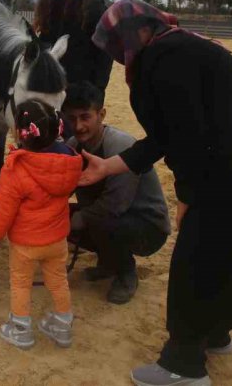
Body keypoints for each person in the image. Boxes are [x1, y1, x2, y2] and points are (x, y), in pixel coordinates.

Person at [81, 0, 232, 386]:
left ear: (139, 31)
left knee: (194, 260)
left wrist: (187, 195)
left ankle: (184, 366)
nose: (118, 55)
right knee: (225, 254)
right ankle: (214, 333)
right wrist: (108, 166)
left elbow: (188, 135)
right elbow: (166, 135)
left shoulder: (166, 57)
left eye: (118, 43)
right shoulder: (176, 47)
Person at [0, 100, 82, 350]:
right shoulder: (69, 161)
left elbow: (3, 210)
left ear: (19, 133)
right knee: (58, 281)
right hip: (57, 239)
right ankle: (62, 326)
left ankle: (21, 329)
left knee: (20, 283)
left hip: (26, 243)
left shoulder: (16, 167)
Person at [61, 81, 171, 305]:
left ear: (101, 114)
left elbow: (115, 205)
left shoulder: (119, 145)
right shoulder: (73, 146)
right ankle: (108, 263)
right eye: (72, 119)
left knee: (101, 221)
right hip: (109, 215)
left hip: (147, 226)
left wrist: (79, 219)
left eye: (85, 117)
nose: (78, 126)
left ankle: (126, 273)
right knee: (57, 216)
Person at [33, 0, 113, 100]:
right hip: (53, 93)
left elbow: (105, 55)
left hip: (84, 95)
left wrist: (97, 91)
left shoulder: (95, 9)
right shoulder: (49, 10)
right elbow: (44, 49)